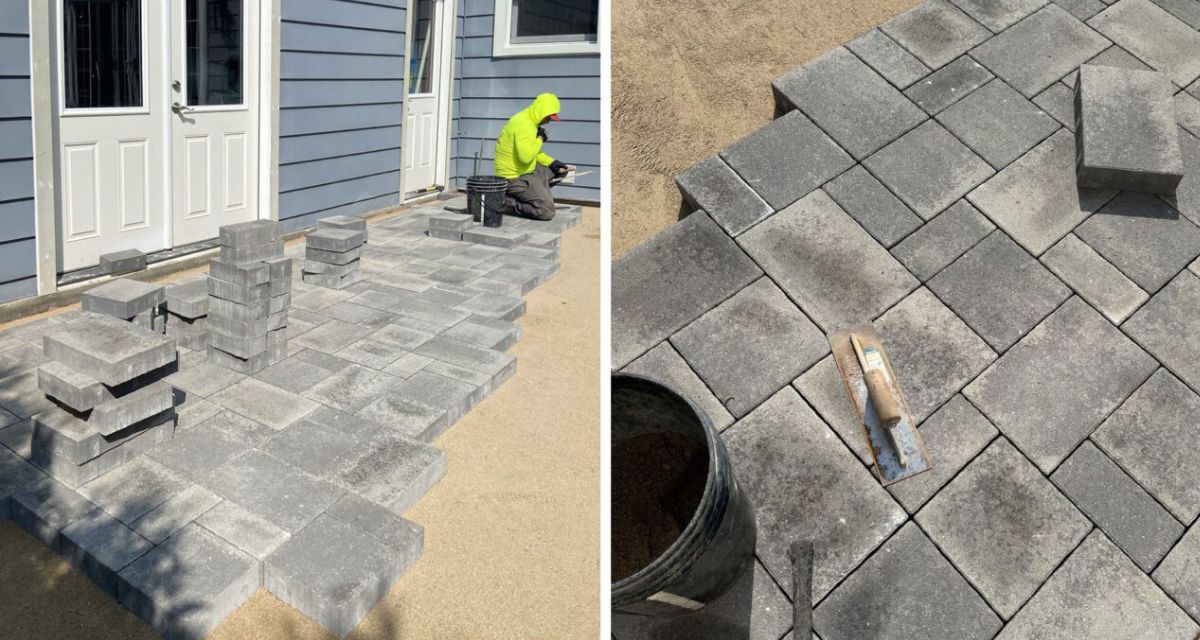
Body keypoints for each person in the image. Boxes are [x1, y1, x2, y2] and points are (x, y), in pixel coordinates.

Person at [494, 92, 572, 221]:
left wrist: (552, 162)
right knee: (546, 211)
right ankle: (505, 201)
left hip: (526, 169)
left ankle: (535, 193)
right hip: (513, 177)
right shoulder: (524, 125)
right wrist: (540, 139)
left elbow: (531, 152)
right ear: (541, 112)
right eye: (548, 118)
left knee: (559, 171)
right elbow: (525, 157)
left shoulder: (530, 120)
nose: (548, 122)